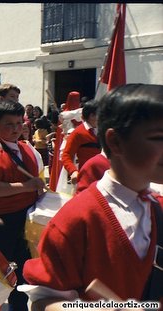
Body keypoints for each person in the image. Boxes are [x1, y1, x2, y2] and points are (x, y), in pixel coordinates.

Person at [21, 83, 163, 308]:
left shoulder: (158, 207)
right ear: (115, 141)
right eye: (158, 138)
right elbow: (43, 300)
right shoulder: (77, 218)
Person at [0, 100, 45, 311]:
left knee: (22, 275)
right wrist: (26, 186)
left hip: (24, 221)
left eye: (18, 123)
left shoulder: (27, 149)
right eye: (8, 124)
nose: (15, 129)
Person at [61, 100, 101, 185]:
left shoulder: (102, 130)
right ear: (92, 116)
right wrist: (73, 171)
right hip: (86, 178)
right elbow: (66, 155)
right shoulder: (78, 133)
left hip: (102, 175)